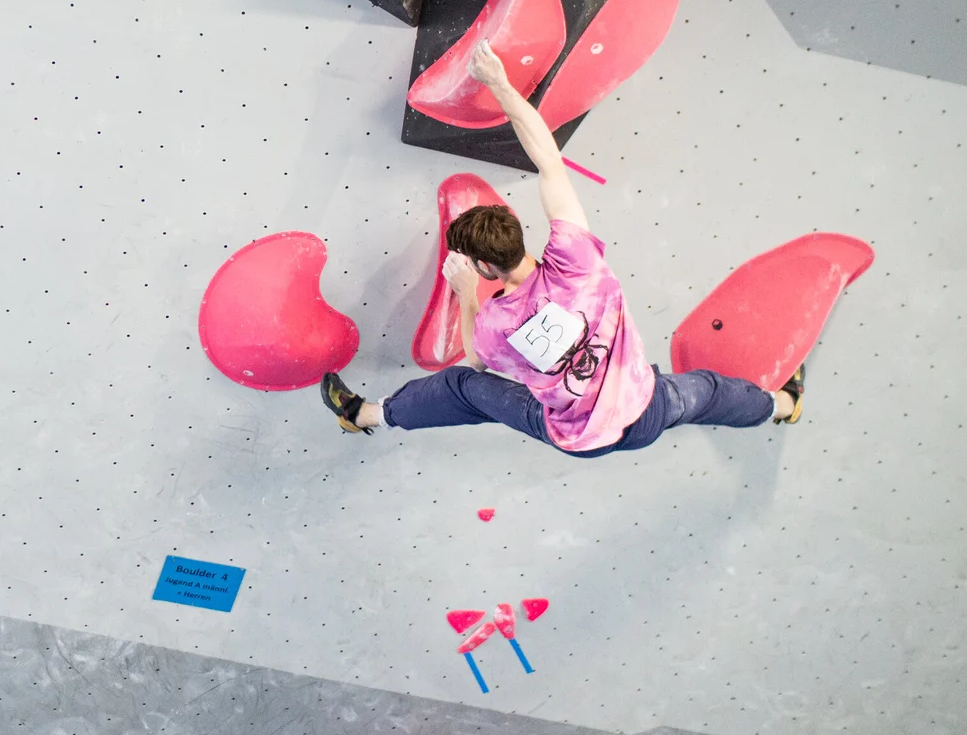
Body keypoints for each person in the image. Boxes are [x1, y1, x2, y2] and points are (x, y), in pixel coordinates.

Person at [321, 41, 803, 456]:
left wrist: (466, 293)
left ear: (484, 265)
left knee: (461, 389)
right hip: (646, 409)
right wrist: (501, 85)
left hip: (576, 437)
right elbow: (549, 163)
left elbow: (473, 362)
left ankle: (365, 415)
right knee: (712, 393)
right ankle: (784, 405)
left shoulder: (495, 326)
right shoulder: (578, 260)